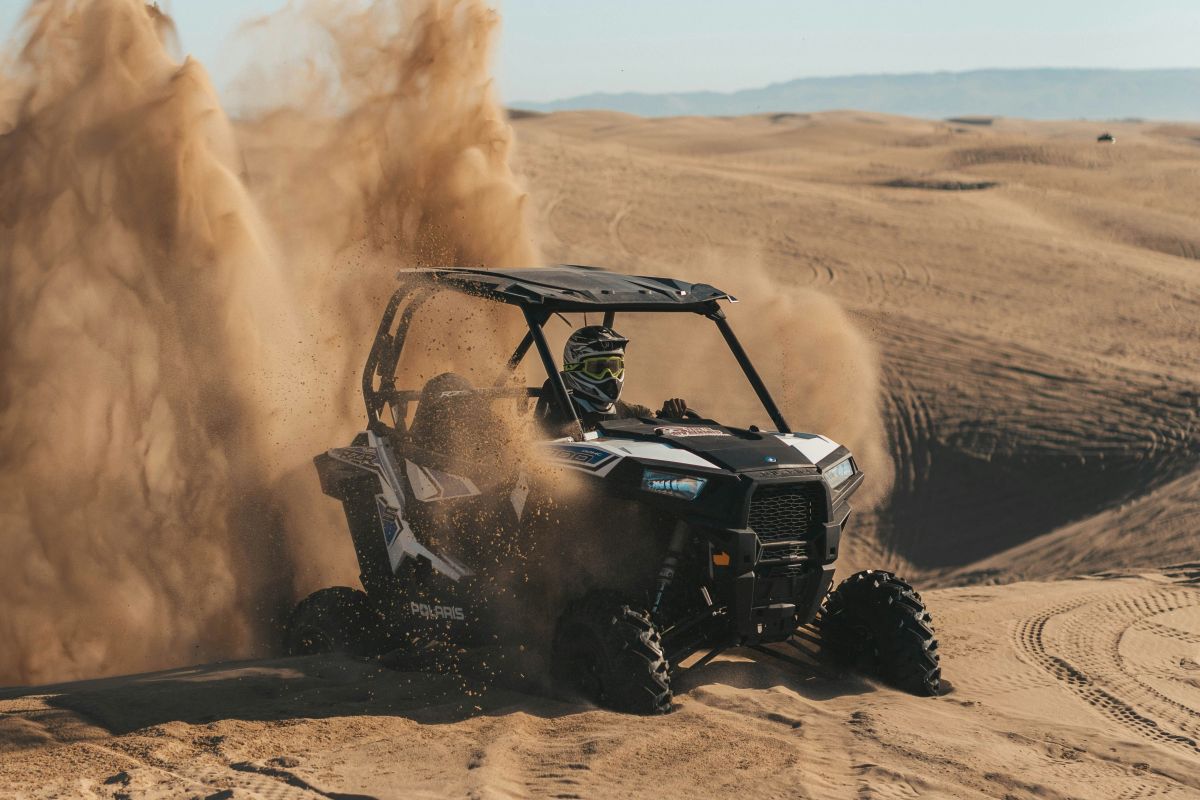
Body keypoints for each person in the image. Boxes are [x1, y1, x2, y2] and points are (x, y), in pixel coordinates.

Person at [536, 325, 691, 433]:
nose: (609, 376)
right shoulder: (557, 417)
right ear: (574, 368)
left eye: (614, 367)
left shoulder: (633, 413)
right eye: (598, 368)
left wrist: (668, 420)